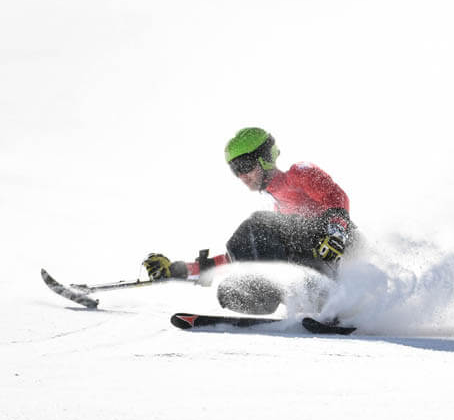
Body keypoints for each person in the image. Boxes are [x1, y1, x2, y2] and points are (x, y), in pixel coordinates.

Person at [142, 127, 355, 315]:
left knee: (257, 225)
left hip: (342, 250)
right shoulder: (279, 209)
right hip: (316, 268)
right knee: (229, 290)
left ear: (264, 158)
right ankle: (303, 300)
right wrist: (183, 270)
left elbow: (336, 198)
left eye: (244, 165)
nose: (242, 175)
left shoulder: (299, 173)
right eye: (235, 169)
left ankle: (276, 292)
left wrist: (336, 234)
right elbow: (242, 253)